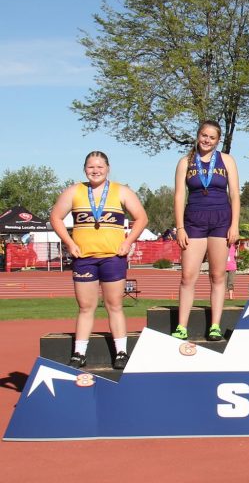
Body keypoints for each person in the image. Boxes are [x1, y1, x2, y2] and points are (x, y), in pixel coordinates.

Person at [50, 151, 148, 369]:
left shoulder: (121, 191)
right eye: (91, 167)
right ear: (85, 169)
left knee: (114, 305)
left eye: (100, 167)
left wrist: (128, 240)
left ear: (108, 168)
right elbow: (55, 217)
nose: (95, 171)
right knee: (86, 307)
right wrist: (69, 242)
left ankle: (121, 352)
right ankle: (79, 353)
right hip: (84, 258)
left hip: (113, 257)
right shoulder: (75, 191)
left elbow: (141, 218)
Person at [173, 121, 240, 340]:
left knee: (217, 275)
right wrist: (180, 227)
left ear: (217, 140)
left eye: (212, 137)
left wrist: (235, 225)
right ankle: (182, 326)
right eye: (204, 135)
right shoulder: (186, 162)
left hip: (221, 220)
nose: (207, 140)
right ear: (198, 135)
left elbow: (235, 195)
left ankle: (215, 325)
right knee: (188, 276)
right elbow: (179, 196)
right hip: (194, 221)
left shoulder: (227, 160)